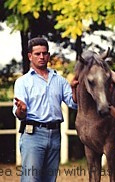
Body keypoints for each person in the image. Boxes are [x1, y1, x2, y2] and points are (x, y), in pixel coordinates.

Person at [12, 37, 78, 182]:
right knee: (31, 179)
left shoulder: (59, 80)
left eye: (44, 53)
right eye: (37, 54)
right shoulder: (23, 82)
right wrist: (21, 110)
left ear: (48, 55)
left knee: (50, 179)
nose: (42, 57)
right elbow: (18, 114)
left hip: (55, 135)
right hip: (33, 135)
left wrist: (74, 89)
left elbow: (73, 104)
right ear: (30, 56)